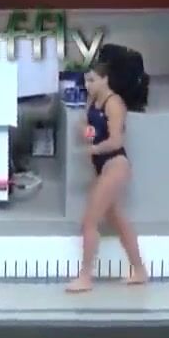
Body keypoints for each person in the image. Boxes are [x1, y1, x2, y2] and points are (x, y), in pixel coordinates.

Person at [65, 59, 147, 293]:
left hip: (115, 165)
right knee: (118, 221)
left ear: (105, 79)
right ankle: (139, 270)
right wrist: (85, 131)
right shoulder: (92, 101)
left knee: (89, 221)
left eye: (92, 80)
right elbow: (90, 129)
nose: (88, 85)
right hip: (102, 167)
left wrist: (93, 149)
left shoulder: (114, 104)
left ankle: (85, 277)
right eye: (86, 81)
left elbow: (116, 141)